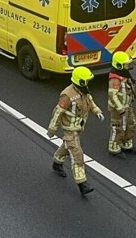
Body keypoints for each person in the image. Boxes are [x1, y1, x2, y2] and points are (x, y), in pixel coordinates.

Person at [48, 67, 104, 197]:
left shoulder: (84, 91)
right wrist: (52, 129)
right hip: (70, 129)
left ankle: (57, 162)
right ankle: (82, 184)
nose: (88, 83)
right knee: (77, 154)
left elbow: (90, 102)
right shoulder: (67, 95)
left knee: (67, 146)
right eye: (86, 81)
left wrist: (97, 112)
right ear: (80, 81)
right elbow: (58, 112)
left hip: (79, 128)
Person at [107, 51, 136, 157]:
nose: (128, 66)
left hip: (127, 106)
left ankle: (127, 144)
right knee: (118, 127)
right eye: (126, 64)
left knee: (131, 124)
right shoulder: (115, 79)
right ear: (119, 65)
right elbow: (112, 95)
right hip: (118, 109)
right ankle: (114, 147)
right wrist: (120, 109)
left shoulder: (124, 74)